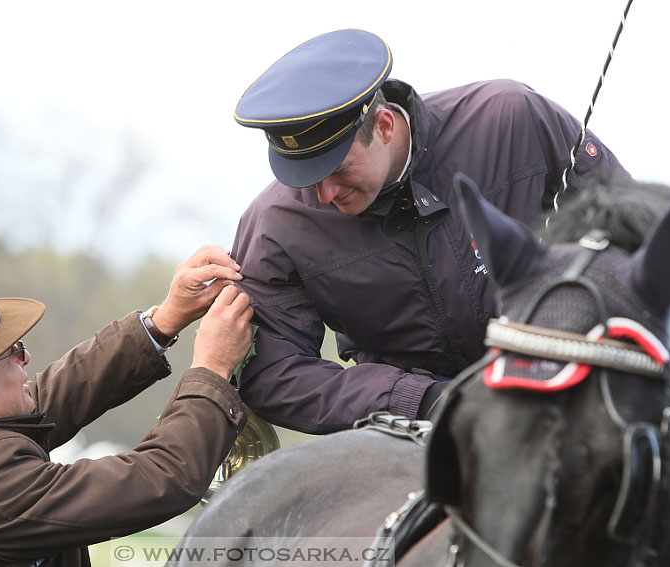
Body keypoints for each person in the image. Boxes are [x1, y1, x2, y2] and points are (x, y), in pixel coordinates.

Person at [230, 29, 630, 434]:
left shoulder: (513, 120)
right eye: (304, 178)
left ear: (384, 126)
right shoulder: (274, 225)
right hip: (405, 435)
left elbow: (632, 242)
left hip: (571, 403)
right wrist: (421, 400)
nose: (324, 193)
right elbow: (271, 373)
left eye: (337, 170)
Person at [0, 246, 253, 566]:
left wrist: (163, 321)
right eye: (13, 352)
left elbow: (46, 400)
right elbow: (160, 478)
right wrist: (212, 370)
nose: (26, 360)